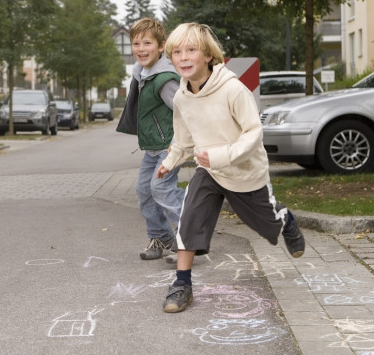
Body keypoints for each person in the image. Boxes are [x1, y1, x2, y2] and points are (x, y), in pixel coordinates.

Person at [156, 23, 306, 313]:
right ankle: (181, 283)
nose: (183, 57)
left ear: (209, 56)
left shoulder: (233, 89)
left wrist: (224, 156)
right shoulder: (182, 97)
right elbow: (184, 137)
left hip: (243, 170)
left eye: (191, 50)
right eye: (177, 52)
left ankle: (284, 219)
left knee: (264, 223)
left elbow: (253, 132)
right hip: (208, 170)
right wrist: (170, 161)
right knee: (189, 219)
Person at [116, 17, 185, 261]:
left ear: (160, 46)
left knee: (161, 188)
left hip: (170, 146)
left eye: (147, 43)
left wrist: (177, 143)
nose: (141, 49)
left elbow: (184, 110)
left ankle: (188, 238)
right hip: (153, 147)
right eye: (136, 43)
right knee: (144, 191)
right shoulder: (142, 73)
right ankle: (161, 236)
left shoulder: (164, 78)